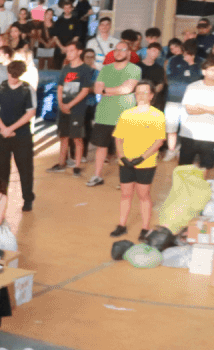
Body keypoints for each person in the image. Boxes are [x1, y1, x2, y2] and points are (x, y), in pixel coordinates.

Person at [110, 81, 166, 239]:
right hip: (126, 162)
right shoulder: (127, 115)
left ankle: (145, 228)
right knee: (125, 194)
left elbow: (159, 141)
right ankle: (121, 225)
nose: (141, 95)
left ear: (151, 96)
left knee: (144, 195)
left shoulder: (157, 116)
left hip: (146, 163)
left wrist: (141, 158)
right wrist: (122, 157)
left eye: (144, 92)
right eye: (138, 92)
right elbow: (118, 138)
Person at [87, 41, 141, 188]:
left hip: (124, 115)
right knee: (101, 147)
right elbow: (97, 89)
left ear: (129, 53)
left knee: (123, 149)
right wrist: (110, 90)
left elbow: (127, 89)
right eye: (116, 50)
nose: (118, 52)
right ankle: (97, 175)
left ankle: (124, 179)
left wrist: (106, 90)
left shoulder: (134, 69)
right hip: (104, 114)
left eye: (122, 50)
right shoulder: (105, 69)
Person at [0, 60, 36, 212]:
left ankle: (27, 198)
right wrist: (3, 128)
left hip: (21, 134)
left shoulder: (27, 89)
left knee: (25, 168)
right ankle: (1, 197)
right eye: (11, 74)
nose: (13, 78)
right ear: (8, 72)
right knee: (1, 168)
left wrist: (11, 129)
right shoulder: (1, 88)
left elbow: (30, 112)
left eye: (16, 75)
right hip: (2, 134)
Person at [48, 41, 95, 175]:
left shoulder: (85, 69)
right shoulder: (66, 68)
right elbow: (60, 87)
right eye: (67, 51)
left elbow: (85, 91)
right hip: (63, 107)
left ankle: (77, 166)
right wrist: (61, 103)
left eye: (71, 51)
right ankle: (61, 163)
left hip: (77, 109)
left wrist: (70, 104)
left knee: (77, 137)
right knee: (63, 136)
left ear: (79, 52)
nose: (68, 53)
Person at [179, 57, 214, 178]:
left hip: (210, 135)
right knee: (183, 168)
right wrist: (211, 108)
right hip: (189, 134)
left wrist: (201, 106)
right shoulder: (193, 87)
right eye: (212, 70)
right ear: (204, 72)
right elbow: (190, 110)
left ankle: (199, 192)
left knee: (205, 168)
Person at [164, 40, 200, 161]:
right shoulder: (174, 60)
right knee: (171, 128)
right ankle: (171, 150)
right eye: (184, 51)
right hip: (173, 99)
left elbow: (198, 80)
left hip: (191, 101)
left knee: (187, 129)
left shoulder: (200, 62)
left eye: (189, 52)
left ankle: (183, 152)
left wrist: (191, 65)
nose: (185, 55)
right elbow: (170, 78)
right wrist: (186, 77)